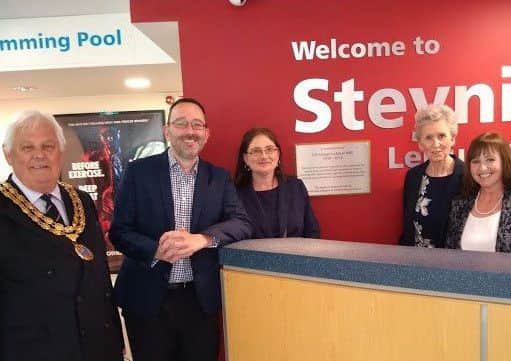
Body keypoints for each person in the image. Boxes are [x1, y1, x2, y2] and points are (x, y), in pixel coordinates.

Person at [109, 98, 252, 361]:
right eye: (181, 123)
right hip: (147, 300)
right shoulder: (138, 172)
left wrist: (204, 239)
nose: (190, 131)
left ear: (206, 134)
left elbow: (241, 223)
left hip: (200, 301)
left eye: (197, 125)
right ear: (167, 131)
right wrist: (156, 251)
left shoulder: (218, 177)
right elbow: (119, 231)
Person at [0, 110, 123, 361]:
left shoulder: (82, 201)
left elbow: (100, 278)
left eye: (48, 146)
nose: (39, 155)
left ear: (61, 151)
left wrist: (116, 342)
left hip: (97, 349)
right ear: (8, 154)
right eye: (27, 147)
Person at [234, 127, 320, 238]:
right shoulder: (234, 194)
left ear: (278, 154)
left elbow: (312, 232)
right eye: (256, 151)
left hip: (296, 255)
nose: (264, 156)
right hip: (252, 256)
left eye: (269, 149)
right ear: (245, 158)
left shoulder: (296, 187)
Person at [399, 104, 464, 248]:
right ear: (420, 144)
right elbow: (407, 228)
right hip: (415, 263)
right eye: (428, 138)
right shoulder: (413, 177)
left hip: (454, 265)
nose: (436, 144)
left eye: (442, 136)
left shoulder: (468, 177)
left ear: (452, 139)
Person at [446, 132, 511, 252]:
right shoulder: (460, 204)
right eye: (476, 161)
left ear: (504, 162)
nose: (482, 168)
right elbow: (451, 252)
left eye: (490, 160)